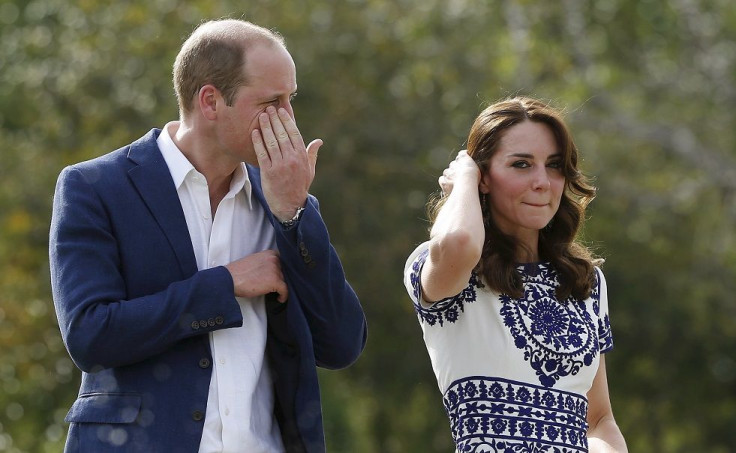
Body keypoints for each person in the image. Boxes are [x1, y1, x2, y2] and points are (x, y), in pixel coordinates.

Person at [49, 19, 366, 453]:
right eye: (272, 101)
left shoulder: (285, 202)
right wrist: (226, 283)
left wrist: (293, 215)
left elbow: (342, 345)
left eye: (291, 99)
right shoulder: (95, 188)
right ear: (211, 101)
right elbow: (90, 336)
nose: (289, 119)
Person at [403, 97, 627, 452]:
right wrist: (464, 178)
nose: (542, 182)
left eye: (554, 166)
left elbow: (599, 420)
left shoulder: (586, 283)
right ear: (484, 177)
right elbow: (460, 240)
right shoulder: (442, 268)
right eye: (521, 164)